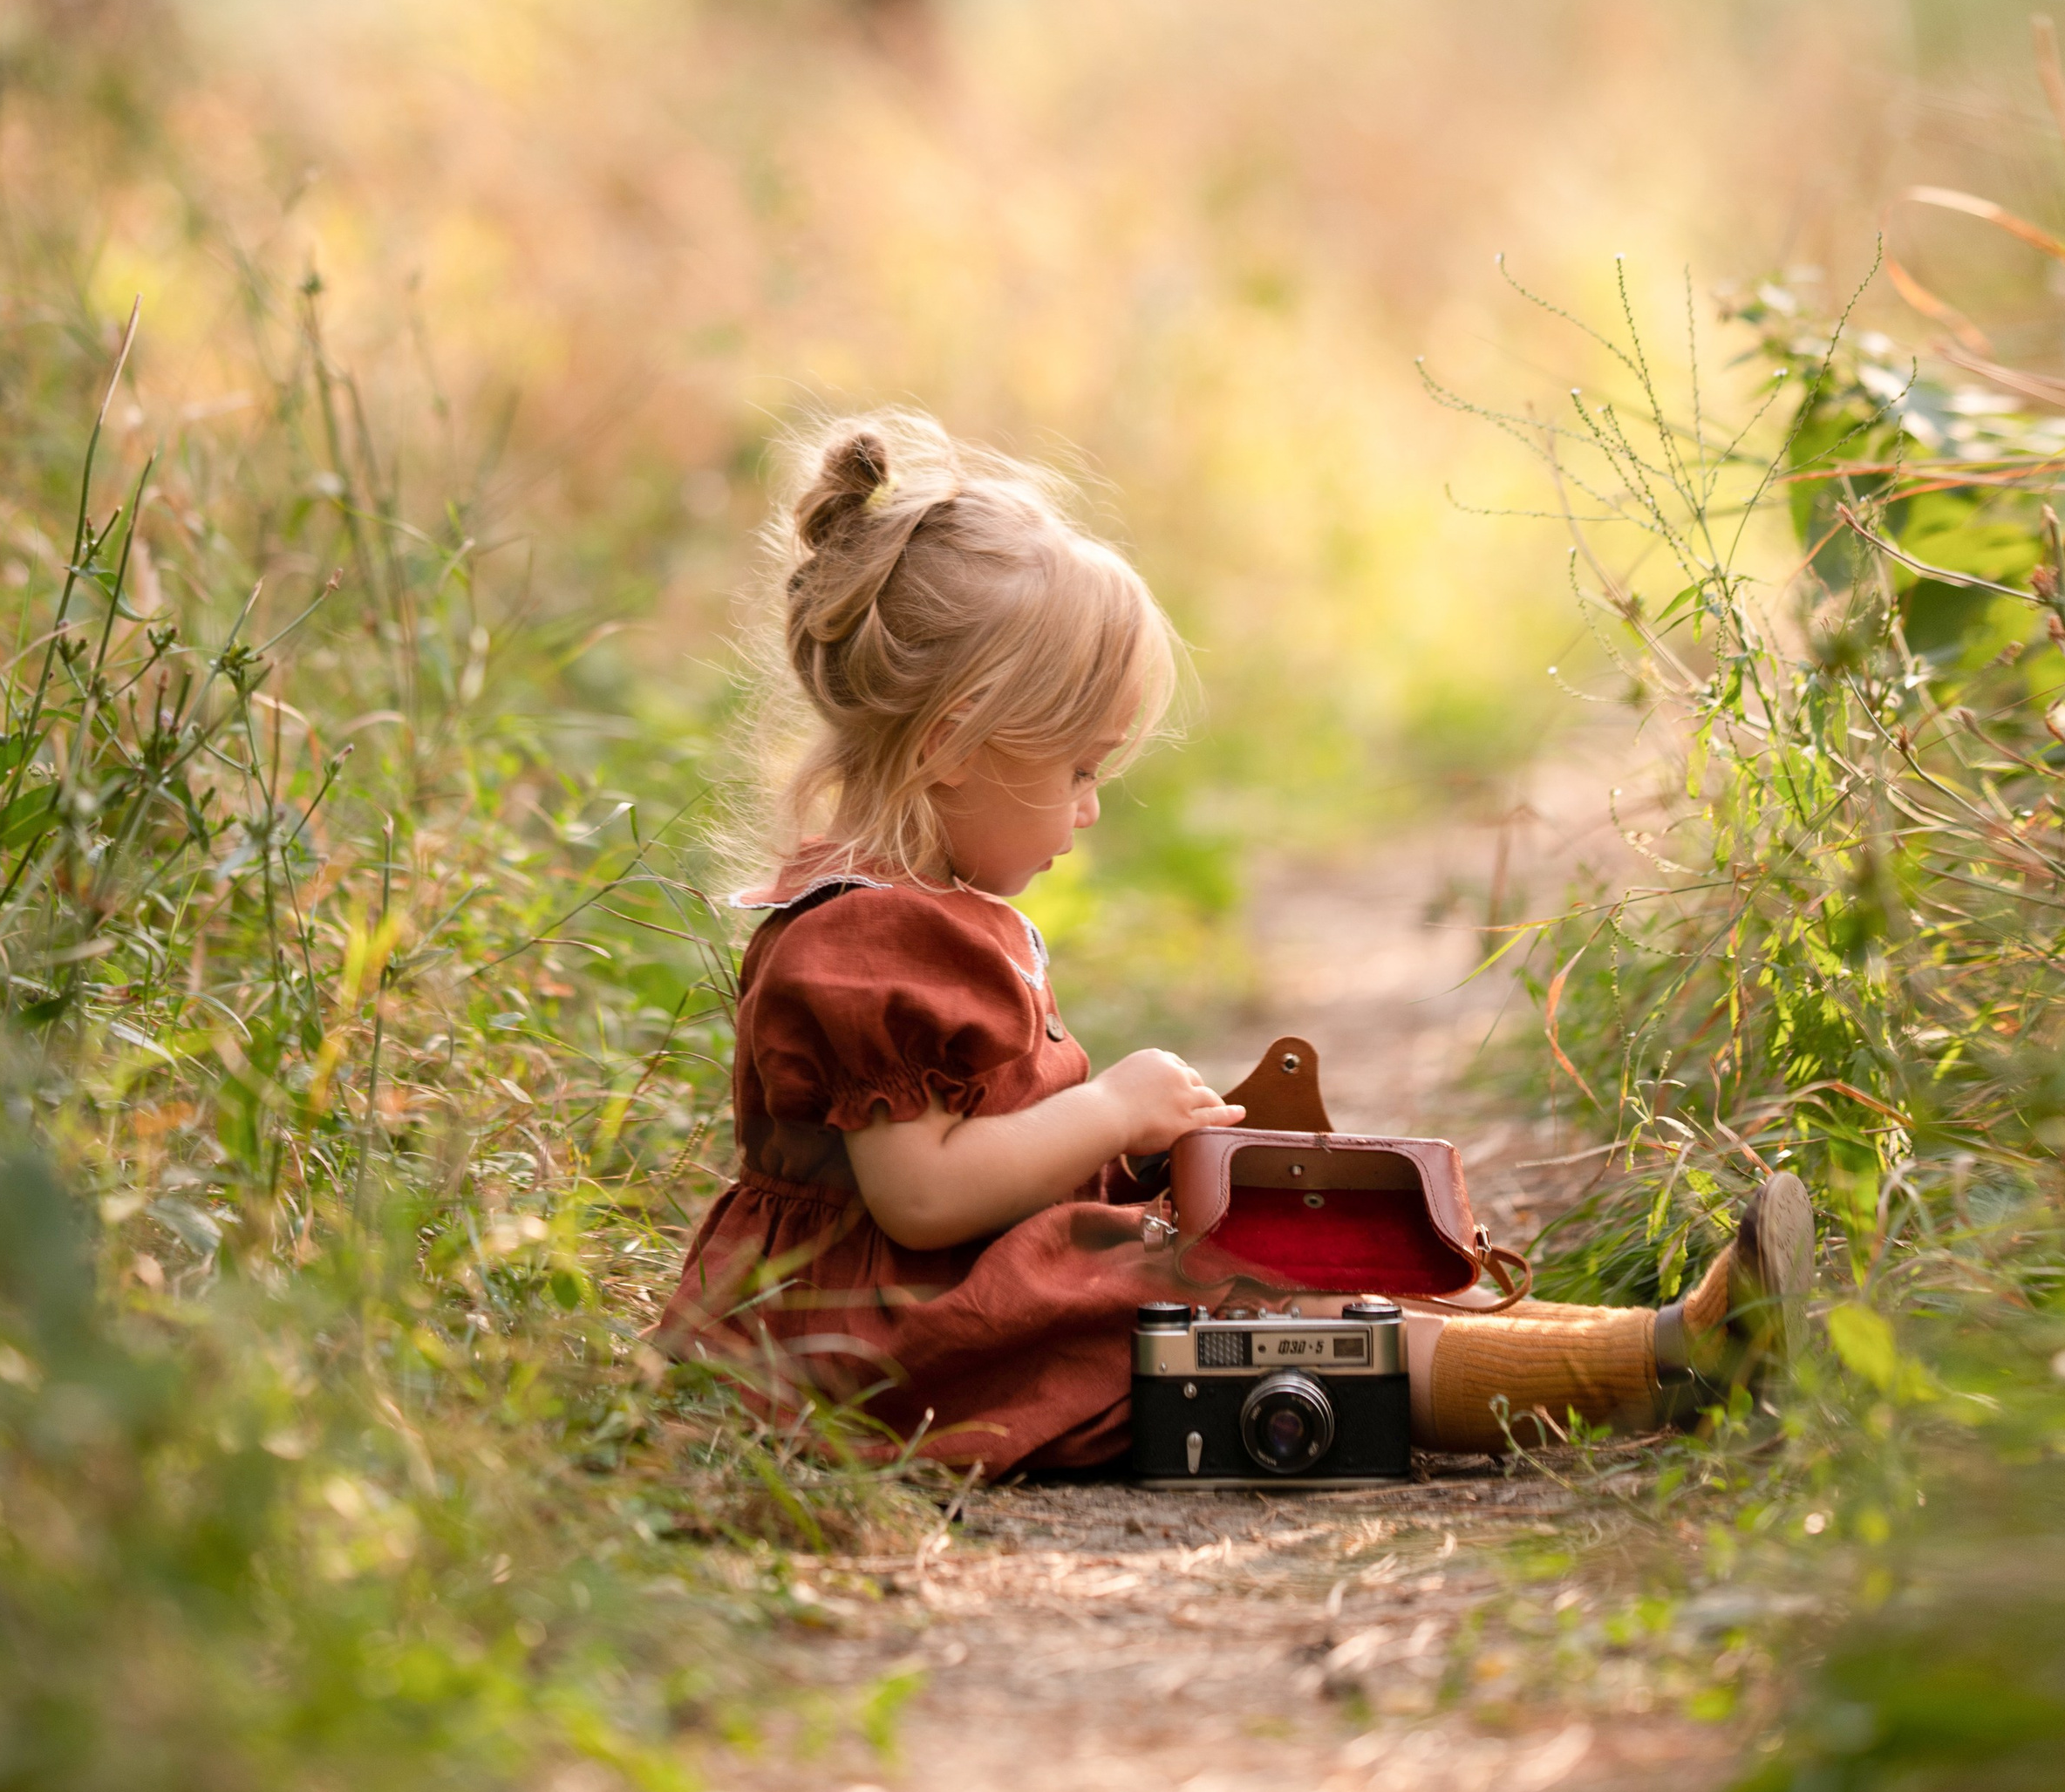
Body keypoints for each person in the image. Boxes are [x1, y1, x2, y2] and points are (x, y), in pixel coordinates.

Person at [658, 413, 1813, 1478]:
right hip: (893, 1338)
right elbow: (923, 1197)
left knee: (1308, 1274)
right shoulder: (863, 936)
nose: (1089, 810)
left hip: (962, 1290)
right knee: (1266, 1320)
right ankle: (1656, 1370)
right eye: (1078, 771)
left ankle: (1664, 1338)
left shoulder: (919, 911)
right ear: (956, 744)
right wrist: (1108, 1111)